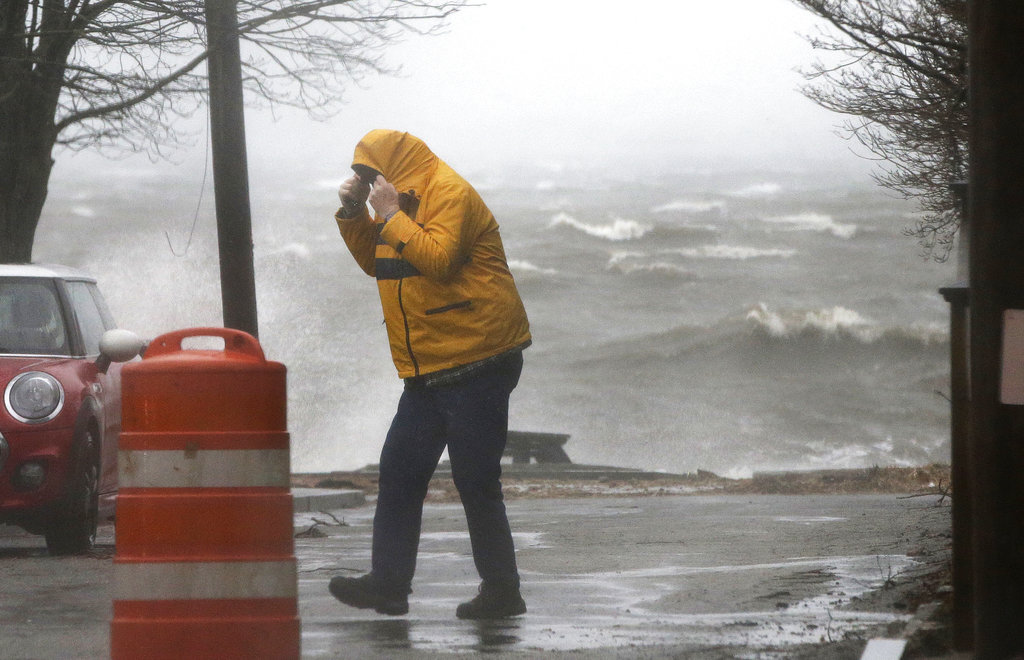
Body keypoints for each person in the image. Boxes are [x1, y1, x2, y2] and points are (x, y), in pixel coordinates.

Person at [328, 129, 532, 619]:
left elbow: (439, 261)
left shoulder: (448, 192)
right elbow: (379, 265)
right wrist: (357, 214)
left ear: (394, 167)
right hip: (428, 366)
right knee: (399, 473)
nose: (367, 181)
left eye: (370, 173)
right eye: (361, 175)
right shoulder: (401, 202)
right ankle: (388, 585)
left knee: (475, 478)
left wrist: (392, 213)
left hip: (479, 357)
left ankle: (503, 592)